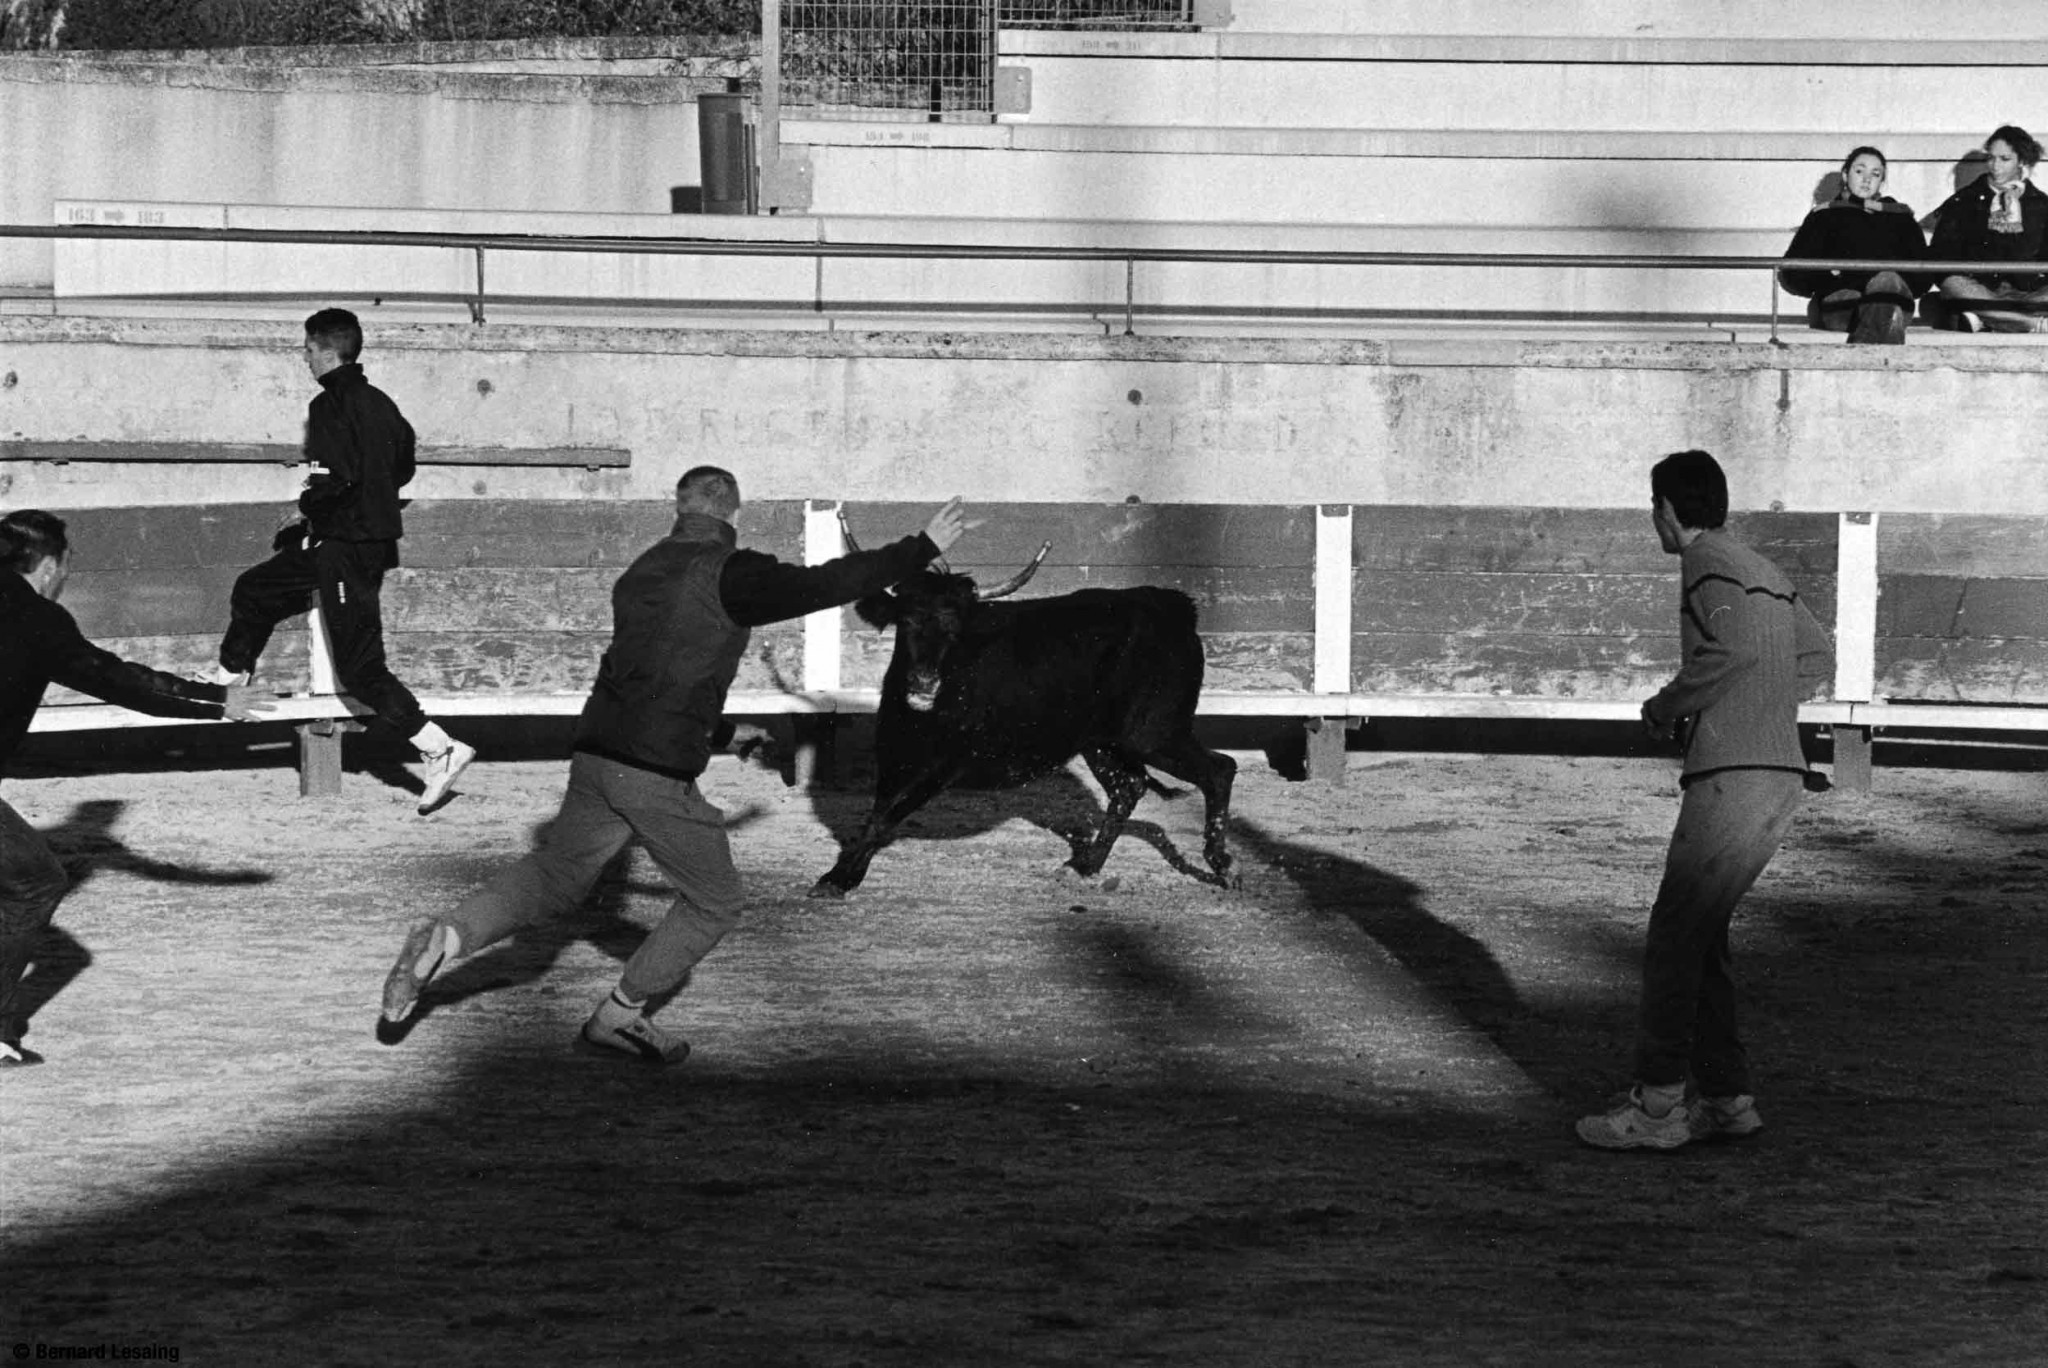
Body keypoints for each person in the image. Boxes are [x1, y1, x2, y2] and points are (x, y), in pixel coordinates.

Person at [378, 469, 977, 1063]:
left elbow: (650, 678)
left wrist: (720, 730)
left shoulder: (640, 571)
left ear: (678, 507)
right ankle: (619, 1016)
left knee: (557, 875)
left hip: (596, 754)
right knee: (714, 903)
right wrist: (920, 548)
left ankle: (448, 936)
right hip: (653, 769)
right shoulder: (729, 572)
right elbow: (824, 584)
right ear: (733, 513)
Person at [1577, 450, 1834, 1151]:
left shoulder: (1705, 562)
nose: (1651, 518)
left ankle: (1658, 1108)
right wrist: (1764, 711)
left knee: (1672, 936)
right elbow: (1817, 657)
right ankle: (1726, 1099)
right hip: (1780, 769)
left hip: (1734, 772)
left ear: (1667, 508)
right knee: (1702, 936)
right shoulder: (1766, 569)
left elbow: (1731, 652)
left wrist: (1667, 707)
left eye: (1651, 506)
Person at [0, 509, 271, 1066]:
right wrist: (217, 701)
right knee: (34, 881)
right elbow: (118, 680)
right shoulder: (36, 619)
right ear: (50, 565)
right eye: (67, 565)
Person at [215, 308, 474, 814]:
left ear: (328, 351)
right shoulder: (381, 403)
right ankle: (231, 678)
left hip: (345, 546)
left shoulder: (328, 404)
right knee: (257, 588)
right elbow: (403, 467)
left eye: (308, 349)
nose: (305, 358)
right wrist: (355, 504)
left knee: (361, 670)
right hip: (350, 541)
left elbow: (337, 479)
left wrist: (308, 506)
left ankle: (439, 747)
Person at [1778, 145, 1926, 344]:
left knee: (1887, 281)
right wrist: (1830, 274)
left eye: (1875, 174)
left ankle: (1864, 355)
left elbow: (1923, 274)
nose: (1867, 179)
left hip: (1891, 296)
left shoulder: (1899, 216)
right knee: (1885, 310)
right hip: (1843, 302)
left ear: (1881, 181)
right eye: (1859, 171)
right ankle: (1881, 354)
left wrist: (1897, 277)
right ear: (1846, 175)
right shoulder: (1825, 215)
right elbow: (1793, 273)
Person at [1927, 125, 2048, 333]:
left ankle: (1986, 319)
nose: (1995, 166)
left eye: (2004, 159)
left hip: (2028, 293)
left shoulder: (2040, 204)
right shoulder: (1965, 200)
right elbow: (1942, 255)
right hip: (1981, 289)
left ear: (2022, 161)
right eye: (1991, 158)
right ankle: (2031, 323)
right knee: (1953, 284)